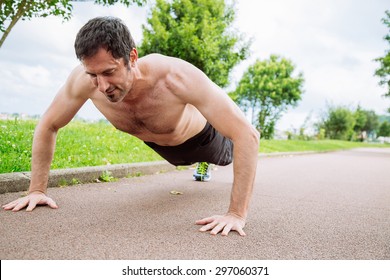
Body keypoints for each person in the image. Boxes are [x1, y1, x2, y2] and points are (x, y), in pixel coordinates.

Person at [2, 16, 259, 236]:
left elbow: (247, 135)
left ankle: (207, 161)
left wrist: (236, 214)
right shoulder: (83, 82)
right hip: (162, 146)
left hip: (204, 141)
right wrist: (36, 189)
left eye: (109, 72)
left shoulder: (175, 76)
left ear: (132, 57)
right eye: (93, 75)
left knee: (229, 150)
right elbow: (48, 124)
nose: (102, 86)